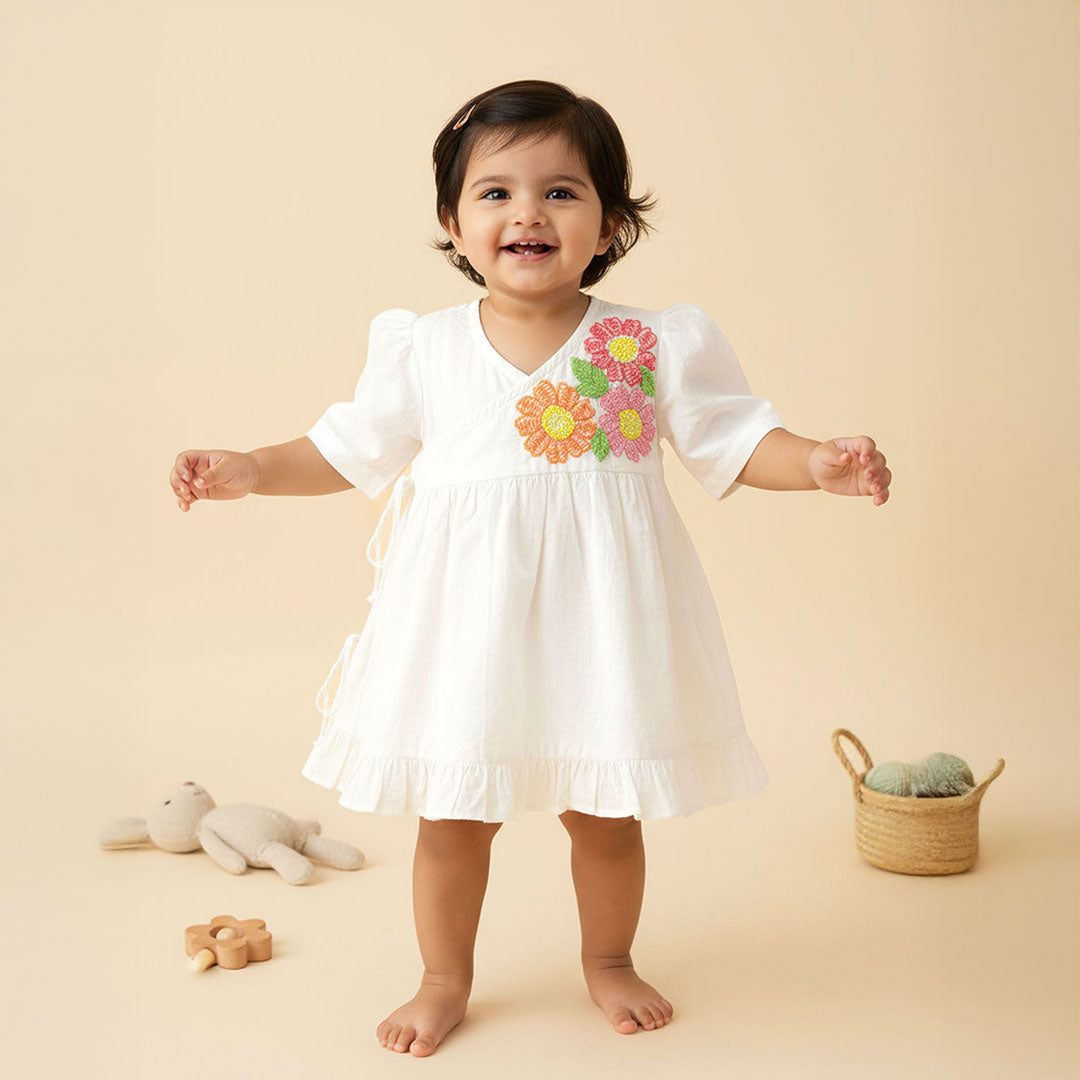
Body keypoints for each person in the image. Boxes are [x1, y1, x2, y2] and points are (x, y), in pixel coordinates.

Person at [168, 79, 891, 1058]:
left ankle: (609, 958)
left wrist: (816, 463)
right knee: (454, 817)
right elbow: (345, 450)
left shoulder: (645, 342)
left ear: (610, 223)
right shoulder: (424, 348)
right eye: (496, 193)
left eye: (561, 191)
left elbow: (733, 438)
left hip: (602, 628)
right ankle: (443, 977)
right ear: (453, 223)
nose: (528, 213)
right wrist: (252, 469)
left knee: (606, 814)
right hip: (469, 632)